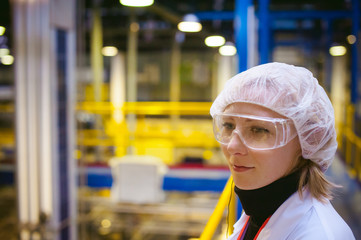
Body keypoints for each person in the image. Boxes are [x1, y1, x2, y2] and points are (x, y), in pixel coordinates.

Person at [210, 62, 355, 240]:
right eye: (228, 125)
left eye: (259, 130)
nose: (232, 146)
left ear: (308, 141)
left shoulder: (319, 235)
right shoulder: (262, 207)